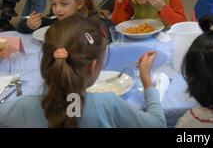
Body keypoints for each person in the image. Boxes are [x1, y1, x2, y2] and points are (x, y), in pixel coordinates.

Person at [0, 15, 166, 128]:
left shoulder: (24, 106)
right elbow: (157, 124)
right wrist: (147, 82)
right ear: (93, 66)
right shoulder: (108, 105)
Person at [17, 0, 114, 39]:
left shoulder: (93, 19)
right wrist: (29, 25)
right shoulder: (55, 20)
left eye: (64, 4)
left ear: (80, 3)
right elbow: (19, 28)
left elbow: (109, 27)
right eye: (54, 4)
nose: (57, 9)